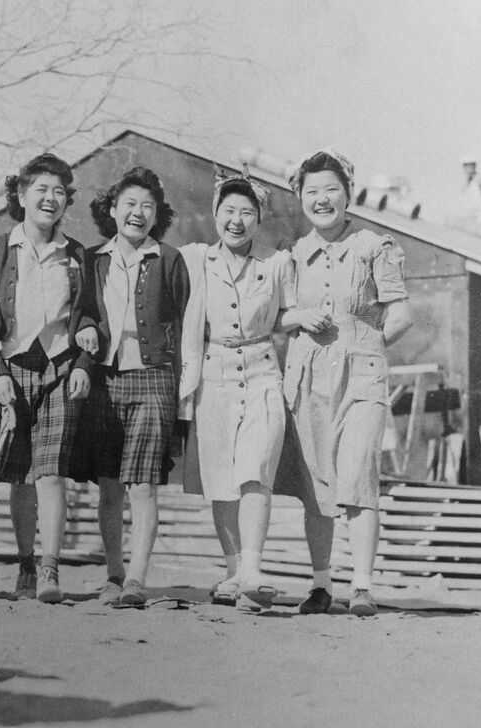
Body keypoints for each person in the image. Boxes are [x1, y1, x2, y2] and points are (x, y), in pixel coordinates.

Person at [277, 149, 413, 617]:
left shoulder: (376, 246)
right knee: (317, 482)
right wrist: (297, 316)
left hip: (362, 374)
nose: (322, 199)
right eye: (312, 191)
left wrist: (366, 344)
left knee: (357, 475)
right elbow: (278, 314)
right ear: (299, 198)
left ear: (348, 194)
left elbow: (401, 314)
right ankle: (320, 585)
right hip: (307, 374)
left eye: (331, 189)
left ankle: (362, 586)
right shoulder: (293, 255)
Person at [178, 168, 316, 608]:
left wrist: (305, 318)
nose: (236, 220)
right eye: (228, 211)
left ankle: (253, 567)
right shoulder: (195, 259)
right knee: (221, 478)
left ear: (259, 219)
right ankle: (234, 572)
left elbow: (286, 314)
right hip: (212, 376)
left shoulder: (277, 263)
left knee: (256, 469)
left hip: (260, 373)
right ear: (215, 213)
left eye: (246, 212)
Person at [0, 153, 95, 604]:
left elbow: (91, 320)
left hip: (60, 369)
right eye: (41, 189)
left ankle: (50, 571)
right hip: (13, 369)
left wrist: (82, 366)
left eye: (59, 191)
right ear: (21, 195)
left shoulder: (77, 254)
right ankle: (25, 565)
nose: (50, 198)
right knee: (22, 477)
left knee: (51, 474)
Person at [74, 167, 189, 607]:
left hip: (154, 378)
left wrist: (181, 387)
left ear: (157, 214)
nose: (137, 213)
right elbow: (81, 311)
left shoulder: (169, 260)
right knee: (108, 485)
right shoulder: (93, 259)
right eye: (129, 204)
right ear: (112, 209)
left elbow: (180, 319)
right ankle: (114, 574)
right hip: (105, 379)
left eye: (147, 206)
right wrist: (85, 328)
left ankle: (138, 578)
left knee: (143, 485)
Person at [459, 155, 481, 224]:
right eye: (465, 165)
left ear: (474, 166)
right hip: (469, 216)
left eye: (470, 165)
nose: (468, 168)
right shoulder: (465, 183)